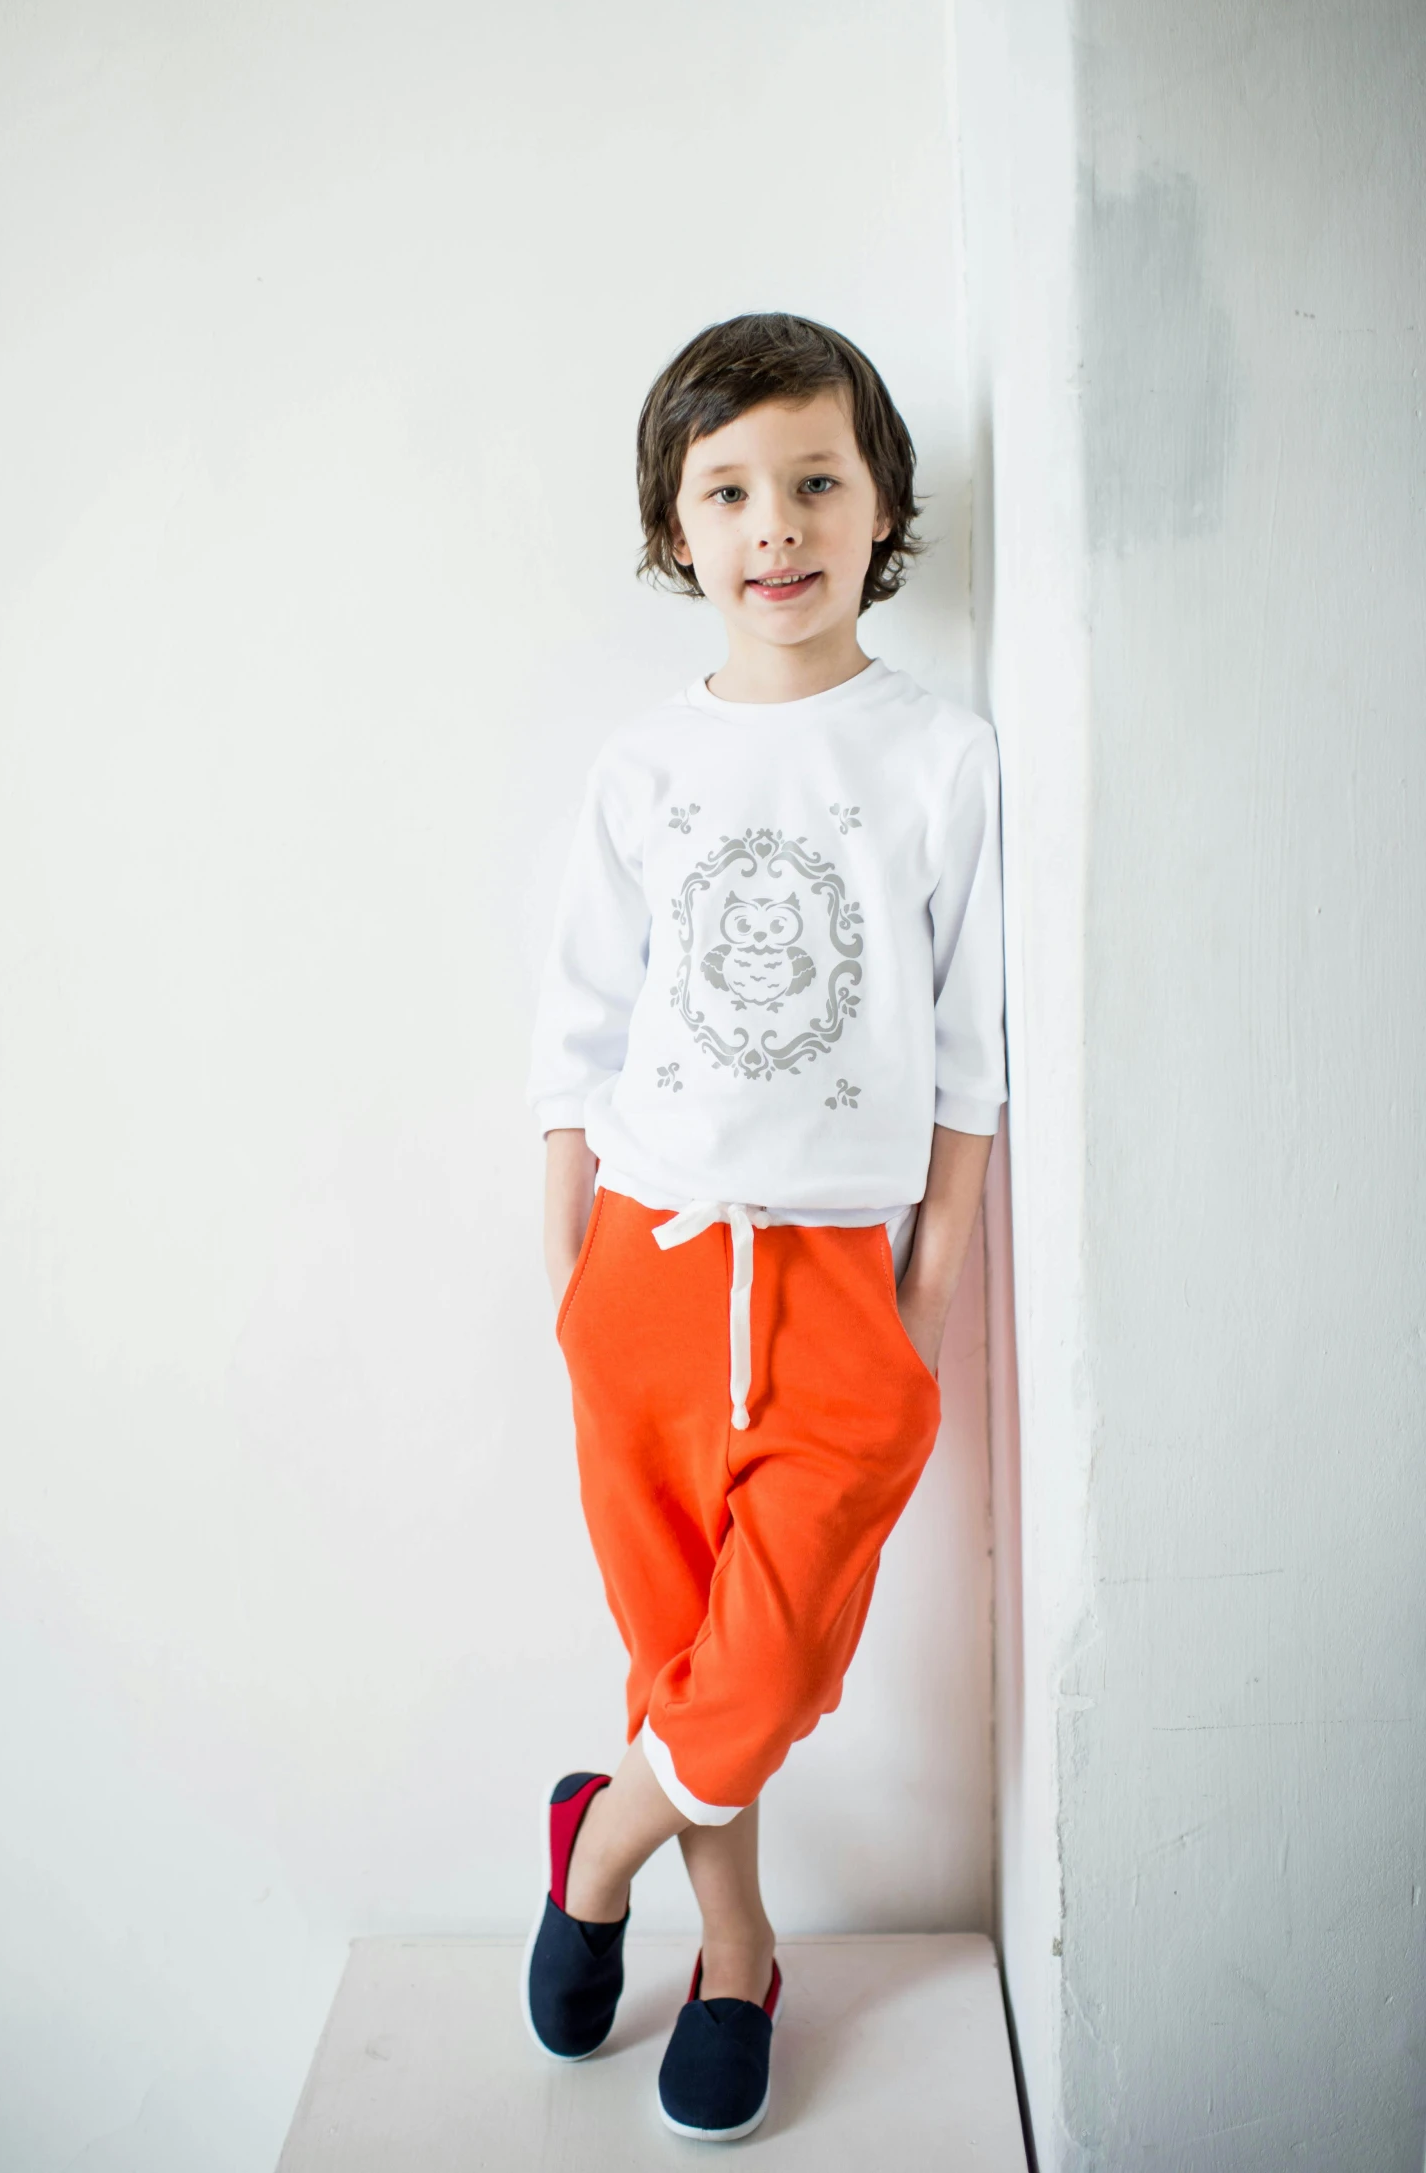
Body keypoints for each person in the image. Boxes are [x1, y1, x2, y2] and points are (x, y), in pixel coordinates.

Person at [521, 311, 1006, 2142]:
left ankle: (597, 1846)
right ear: (676, 531)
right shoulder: (642, 767)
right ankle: (737, 1957)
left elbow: (971, 1047)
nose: (776, 524)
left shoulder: (938, 756)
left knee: (772, 1658)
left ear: (882, 509)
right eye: (728, 490)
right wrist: (566, 1276)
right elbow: (575, 1036)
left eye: (816, 480)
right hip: (644, 1270)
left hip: (835, 1286)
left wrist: (931, 1279)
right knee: (686, 1664)